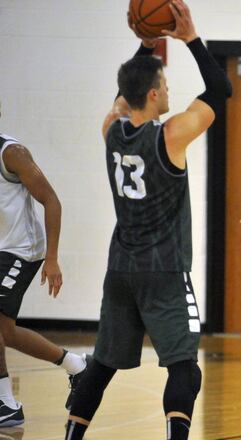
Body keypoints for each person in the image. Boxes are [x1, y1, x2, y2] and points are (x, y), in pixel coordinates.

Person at [64, 1, 231, 439]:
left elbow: (124, 93)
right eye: (164, 83)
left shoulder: (110, 131)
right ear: (155, 94)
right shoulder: (171, 136)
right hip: (164, 271)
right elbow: (220, 90)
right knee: (183, 369)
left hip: (120, 269)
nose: (169, 89)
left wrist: (147, 42)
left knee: (101, 366)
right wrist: (190, 37)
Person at [0, 101, 88, 427]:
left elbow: (51, 199)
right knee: (5, 331)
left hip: (22, 250)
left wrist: (52, 258)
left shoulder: (12, 153)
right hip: (1, 249)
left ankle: (6, 404)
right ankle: (77, 366)